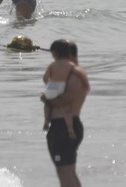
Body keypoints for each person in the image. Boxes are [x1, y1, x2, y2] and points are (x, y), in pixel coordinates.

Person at [41, 39, 89, 187]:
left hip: (63, 128)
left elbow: (66, 100)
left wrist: (46, 100)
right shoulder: (76, 73)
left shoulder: (74, 75)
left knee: (64, 173)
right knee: (69, 172)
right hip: (69, 126)